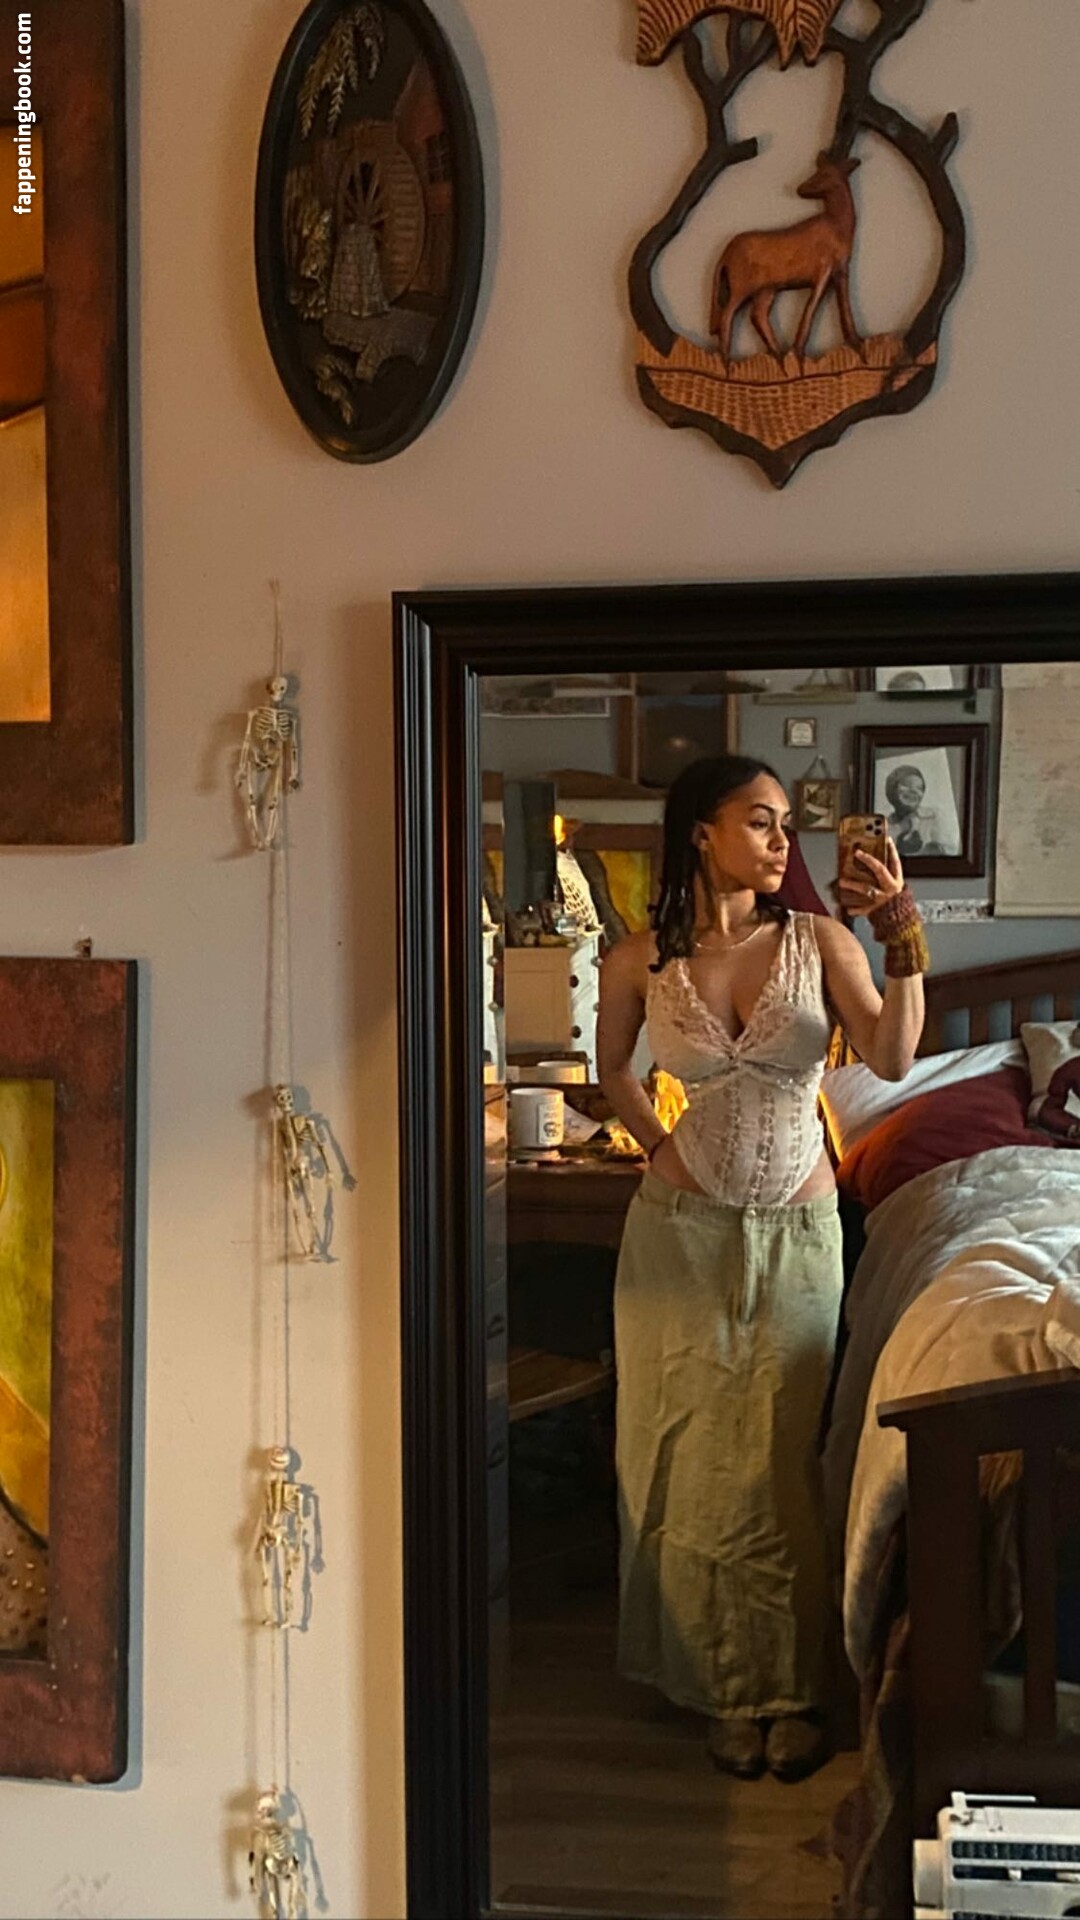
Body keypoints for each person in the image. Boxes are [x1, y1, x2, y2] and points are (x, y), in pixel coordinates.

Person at [596, 754, 928, 1783]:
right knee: (680, 1450)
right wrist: (660, 1144)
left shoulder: (820, 941)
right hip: (677, 1233)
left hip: (796, 1234)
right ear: (702, 831)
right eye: (760, 821)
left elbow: (892, 1058)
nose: (784, 841)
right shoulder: (638, 960)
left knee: (780, 1459)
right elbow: (612, 1068)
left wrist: (901, 935)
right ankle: (718, 1687)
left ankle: (788, 1686)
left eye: (787, 823)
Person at [883, 762, 953, 858]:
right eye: (907, 785)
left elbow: (950, 852)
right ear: (892, 788)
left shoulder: (935, 817)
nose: (913, 791)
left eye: (919, 788)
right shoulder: (884, 826)